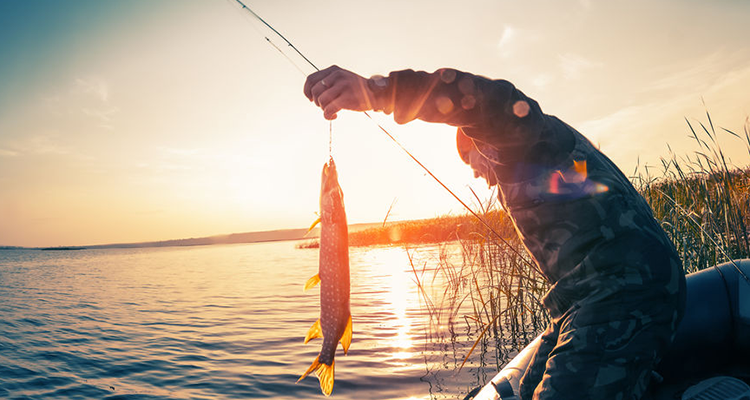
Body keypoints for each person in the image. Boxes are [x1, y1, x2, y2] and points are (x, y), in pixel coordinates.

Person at [303, 65, 686, 400]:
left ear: (486, 139)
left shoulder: (524, 132)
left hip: (626, 289)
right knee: (529, 383)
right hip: (585, 298)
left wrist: (379, 92)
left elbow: (481, 99)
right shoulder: (532, 165)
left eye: (471, 161)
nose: (476, 175)